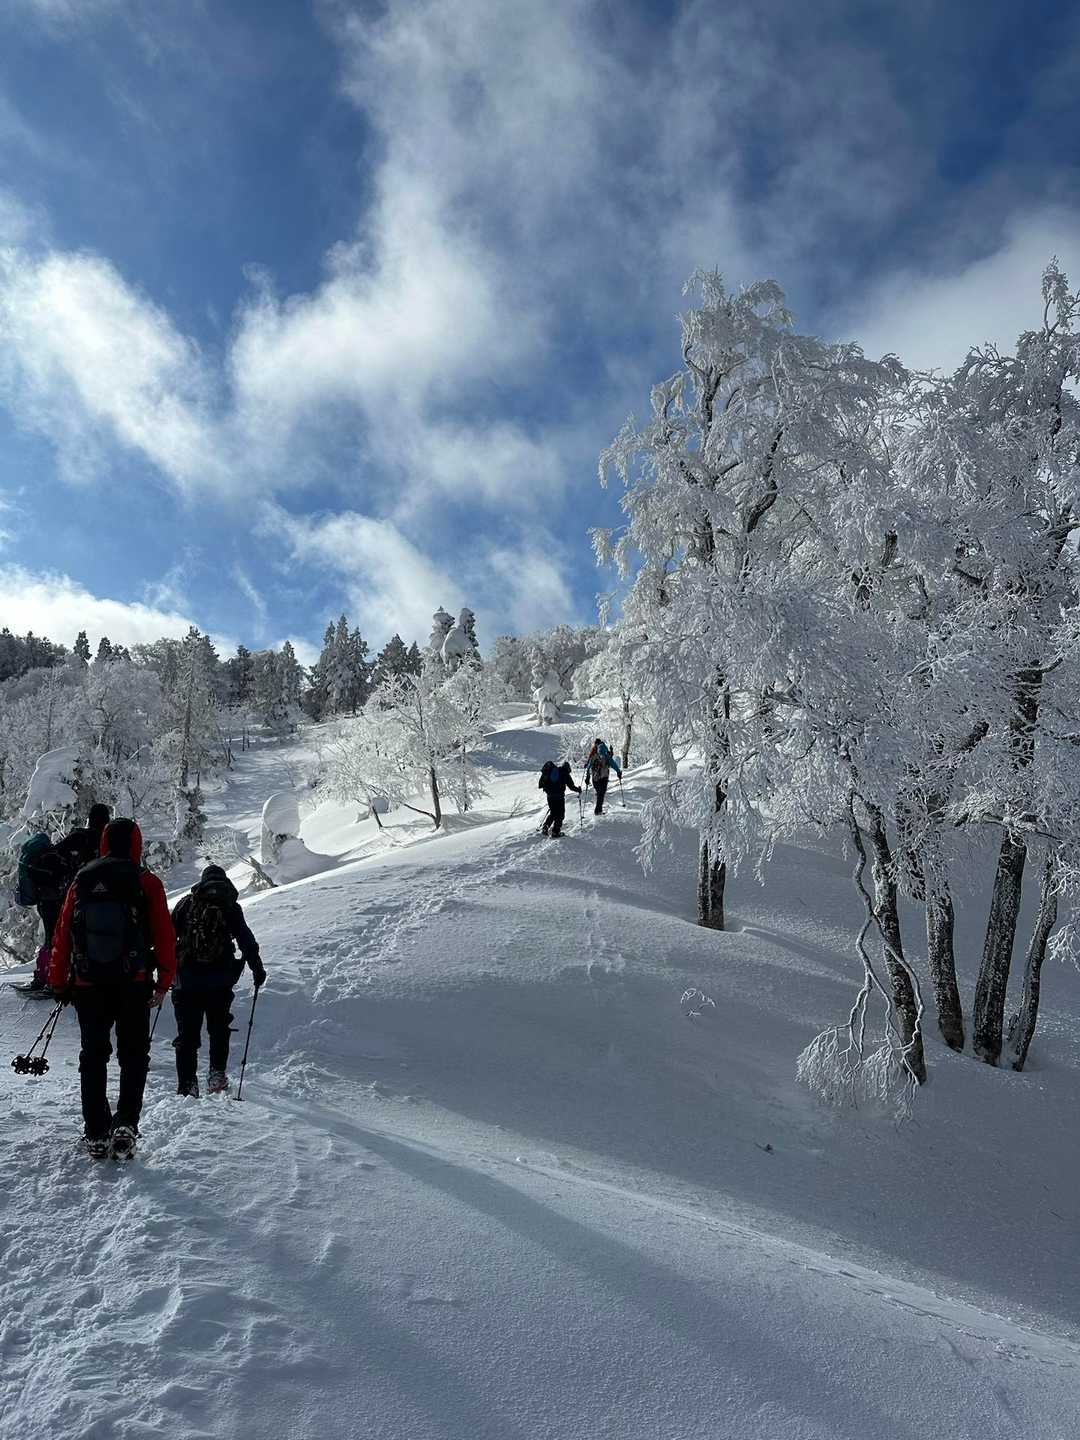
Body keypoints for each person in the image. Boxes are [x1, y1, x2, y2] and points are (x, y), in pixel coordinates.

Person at [49, 818, 176, 1160]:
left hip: (88, 984)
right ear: (137, 844)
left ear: (104, 842)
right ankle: (126, 1124)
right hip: (133, 982)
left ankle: (96, 1131)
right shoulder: (146, 881)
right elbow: (165, 935)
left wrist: (58, 980)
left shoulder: (82, 879)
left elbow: (62, 933)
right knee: (133, 1055)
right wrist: (164, 980)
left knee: (93, 1056)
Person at [170, 865, 266, 1098]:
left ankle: (187, 1085)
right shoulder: (230, 906)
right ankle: (216, 1077)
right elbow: (245, 938)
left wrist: (160, 969)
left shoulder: (186, 904)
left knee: (187, 1034)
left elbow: (168, 936)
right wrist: (257, 967)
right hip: (219, 981)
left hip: (186, 981)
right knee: (219, 1029)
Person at [27, 804, 111, 993]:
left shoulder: (79, 837)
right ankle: (76, 978)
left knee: (58, 938)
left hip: (65, 897)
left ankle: (49, 978)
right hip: (94, 902)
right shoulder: (107, 842)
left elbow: (54, 856)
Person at [538, 759, 580, 838]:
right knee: (560, 814)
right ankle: (556, 832)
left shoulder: (553, 771)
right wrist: (578, 790)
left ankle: (545, 826)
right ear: (568, 768)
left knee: (553, 813)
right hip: (559, 797)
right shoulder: (565, 773)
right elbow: (571, 786)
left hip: (550, 796)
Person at [583, 739, 622, 816]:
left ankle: (599, 810)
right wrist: (618, 772)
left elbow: (589, 767)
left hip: (595, 779)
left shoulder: (594, 756)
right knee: (601, 794)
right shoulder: (607, 757)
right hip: (604, 778)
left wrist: (587, 777)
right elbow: (614, 765)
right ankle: (598, 811)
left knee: (599, 794)